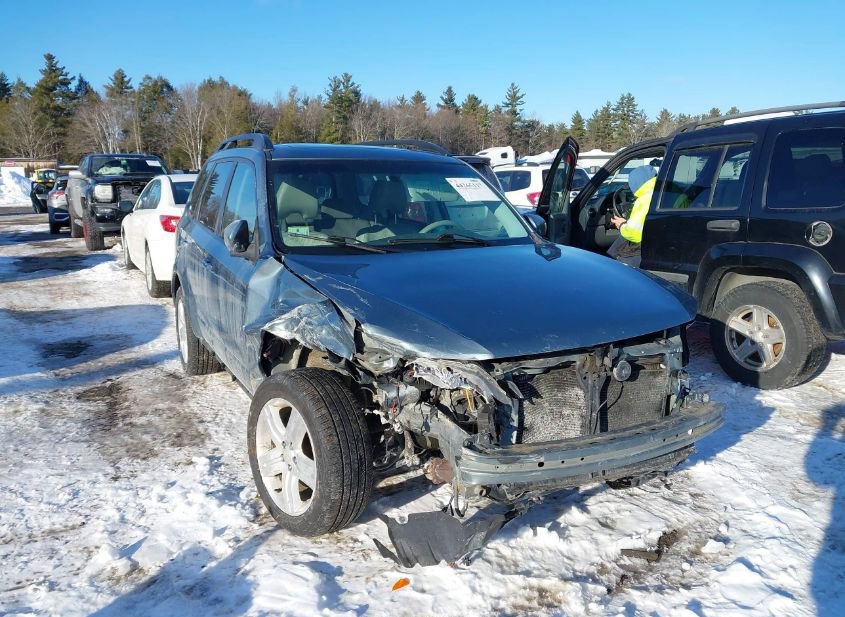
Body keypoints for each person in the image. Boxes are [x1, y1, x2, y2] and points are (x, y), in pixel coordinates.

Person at [606, 165, 657, 267]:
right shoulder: (666, 191)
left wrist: (621, 225)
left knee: (612, 260)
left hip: (647, 247)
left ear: (636, 183)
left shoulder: (645, 199)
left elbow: (634, 233)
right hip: (663, 241)